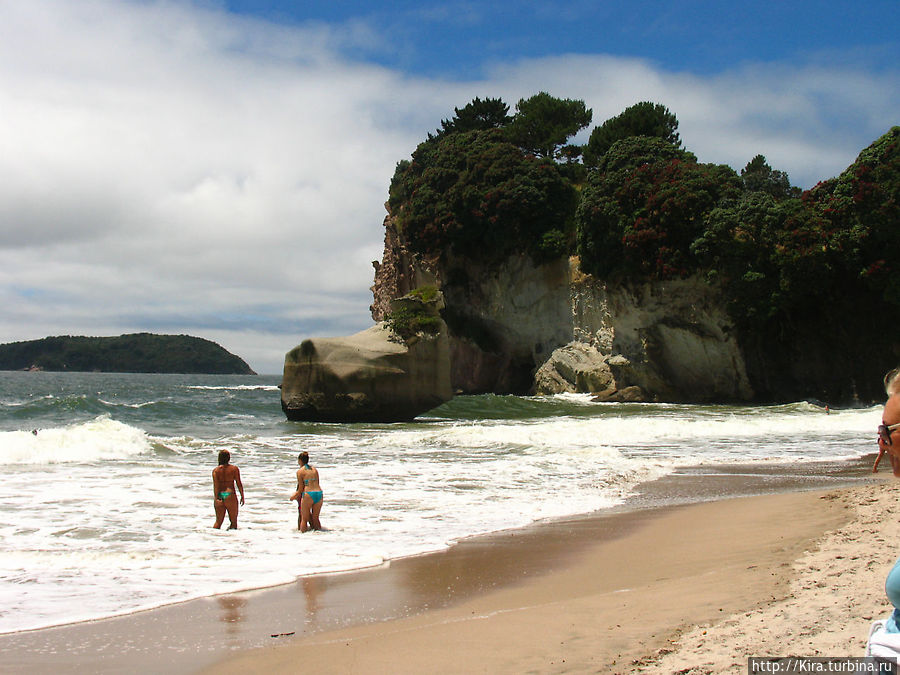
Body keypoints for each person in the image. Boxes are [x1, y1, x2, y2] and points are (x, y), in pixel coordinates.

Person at [289, 451, 323, 532]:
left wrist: (293, 497)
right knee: (316, 519)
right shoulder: (315, 470)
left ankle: (302, 537)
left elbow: (300, 489)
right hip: (319, 493)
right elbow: (316, 483)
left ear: (300, 460)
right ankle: (320, 535)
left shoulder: (300, 471)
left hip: (308, 494)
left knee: (304, 519)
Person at [212, 450, 244, 529]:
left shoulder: (216, 471)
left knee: (218, 522)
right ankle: (231, 540)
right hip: (230, 494)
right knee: (233, 523)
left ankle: (212, 538)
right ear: (228, 458)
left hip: (220, 495)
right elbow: (239, 483)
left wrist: (216, 499)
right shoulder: (234, 469)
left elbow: (216, 486)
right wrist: (242, 495)